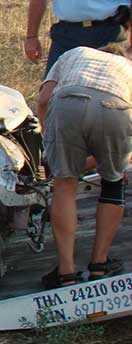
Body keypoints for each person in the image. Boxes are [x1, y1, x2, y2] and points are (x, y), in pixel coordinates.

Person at [36, 43, 132, 288]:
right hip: (116, 105)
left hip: (68, 101)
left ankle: (66, 273)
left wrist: (52, 146)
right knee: (113, 183)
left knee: (64, 186)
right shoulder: (127, 67)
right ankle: (99, 266)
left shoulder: (74, 53)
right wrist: (115, 162)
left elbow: (44, 99)